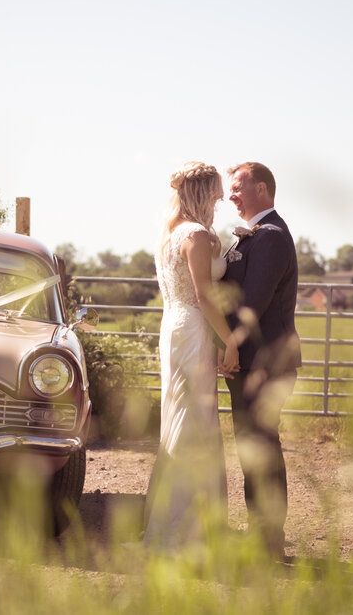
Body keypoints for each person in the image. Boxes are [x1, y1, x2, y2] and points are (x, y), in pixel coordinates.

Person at [143, 162, 240, 549]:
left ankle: (180, 523)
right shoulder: (197, 235)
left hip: (173, 327)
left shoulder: (169, 232)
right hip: (195, 329)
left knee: (181, 417)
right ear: (202, 194)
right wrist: (229, 340)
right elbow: (203, 294)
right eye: (215, 194)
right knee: (195, 423)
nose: (219, 201)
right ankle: (183, 531)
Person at [220, 161, 301, 558]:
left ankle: (269, 541)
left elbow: (252, 303)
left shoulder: (270, 237)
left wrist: (227, 343)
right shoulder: (253, 236)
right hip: (250, 362)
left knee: (262, 448)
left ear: (263, 190)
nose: (231, 193)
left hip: (265, 362)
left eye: (237, 186)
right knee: (251, 446)